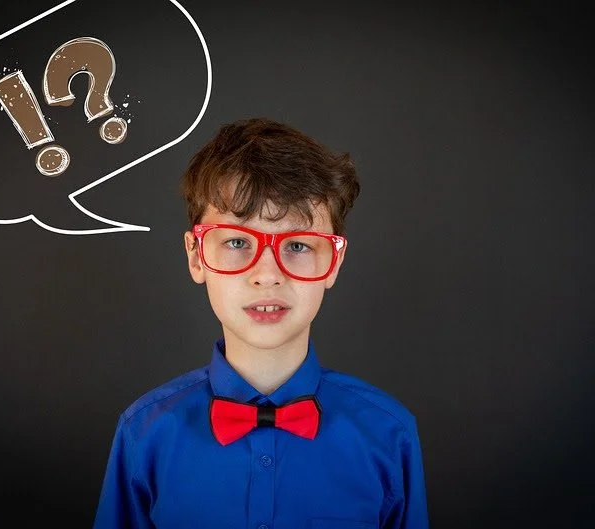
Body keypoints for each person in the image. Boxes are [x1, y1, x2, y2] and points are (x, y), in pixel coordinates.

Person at [92, 117, 430, 528]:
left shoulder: (390, 436)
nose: (267, 273)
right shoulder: (142, 435)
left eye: (299, 245)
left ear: (334, 262)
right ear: (197, 256)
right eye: (237, 242)